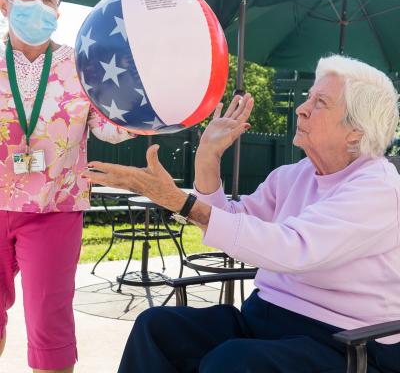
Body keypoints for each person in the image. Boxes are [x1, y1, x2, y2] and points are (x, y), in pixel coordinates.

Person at [84, 55, 400, 373]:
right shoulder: (294, 175)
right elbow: (233, 224)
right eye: (308, 98)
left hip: (346, 344)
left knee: (232, 362)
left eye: (320, 102)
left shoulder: (377, 189)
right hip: (264, 318)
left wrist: (179, 201)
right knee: (157, 327)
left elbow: (292, 248)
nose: (302, 108)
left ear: (356, 131)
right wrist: (208, 158)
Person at [0, 0, 135, 372]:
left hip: (55, 208)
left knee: (50, 324)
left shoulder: (81, 66)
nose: (40, 5)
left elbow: (112, 130)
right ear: (5, 4)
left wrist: (156, 101)